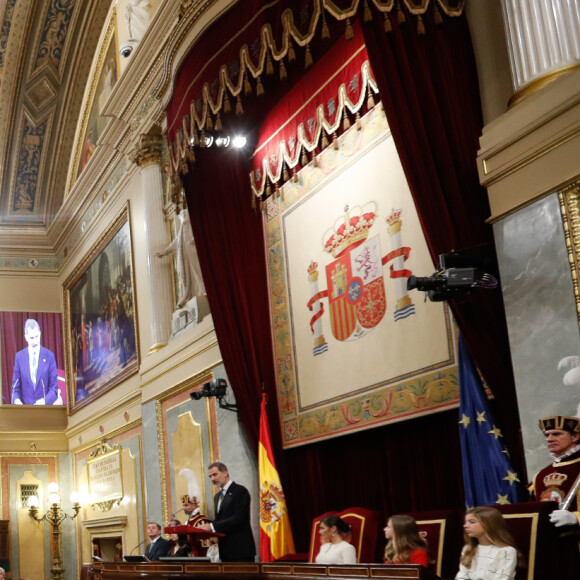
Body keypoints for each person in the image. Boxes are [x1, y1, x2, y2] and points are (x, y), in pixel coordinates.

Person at [197, 462, 255, 562]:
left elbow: (239, 518)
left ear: (225, 473)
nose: (212, 479)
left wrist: (211, 526)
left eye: (215, 474)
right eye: (210, 476)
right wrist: (204, 527)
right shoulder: (217, 496)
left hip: (240, 551)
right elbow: (221, 519)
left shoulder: (240, 491)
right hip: (225, 551)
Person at [529, 415, 580, 528]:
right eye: (547, 435)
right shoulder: (540, 475)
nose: (549, 439)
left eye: (556, 434)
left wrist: (576, 518)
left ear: (575, 436)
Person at [156, 209, 206, 309]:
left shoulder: (190, 224)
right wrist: (164, 252)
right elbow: (176, 242)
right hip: (185, 257)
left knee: (197, 272)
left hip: (192, 253)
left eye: (183, 214)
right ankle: (186, 296)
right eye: (181, 214)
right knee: (185, 278)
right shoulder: (182, 228)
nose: (182, 216)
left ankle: (202, 290)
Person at [455, 507, 519, 580]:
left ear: (488, 524)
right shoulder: (468, 549)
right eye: (465, 522)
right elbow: (461, 576)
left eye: (472, 522)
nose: (465, 526)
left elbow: (503, 578)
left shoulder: (506, 551)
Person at [12, 318, 58, 405]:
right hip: (25, 411)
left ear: (40, 333)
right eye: (32, 338)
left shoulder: (49, 356)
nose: (35, 341)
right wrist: (16, 401)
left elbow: (54, 388)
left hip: (44, 409)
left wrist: (44, 401)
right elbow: (15, 388)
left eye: (37, 336)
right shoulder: (19, 357)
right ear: (26, 337)